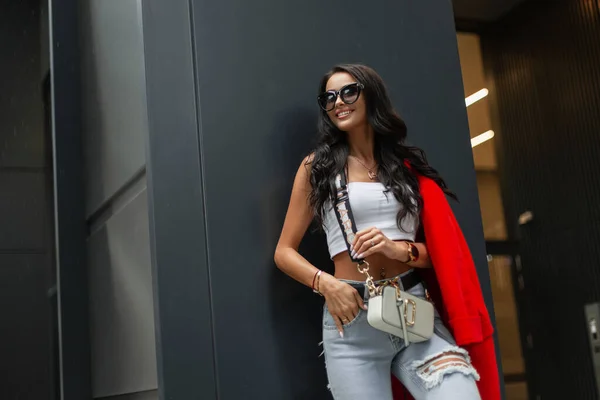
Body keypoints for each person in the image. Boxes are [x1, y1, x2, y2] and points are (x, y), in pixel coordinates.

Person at [274, 64, 499, 400]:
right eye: (329, 97)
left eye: (349, 92)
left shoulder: (404, 168)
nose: (338, 102)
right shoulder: (317, 168)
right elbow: (284, 252)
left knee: (461, 392)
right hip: (353, 324)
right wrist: (327, 284)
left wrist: (399, 251)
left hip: (412, 311)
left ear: (371, 95)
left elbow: (433, 253)